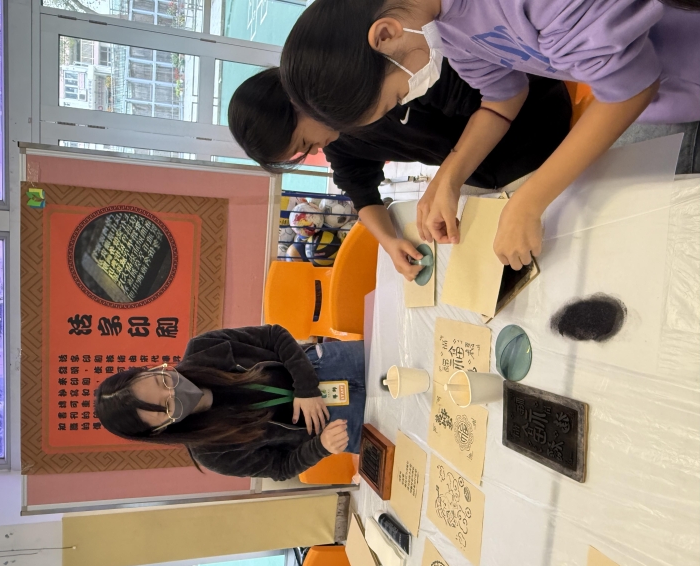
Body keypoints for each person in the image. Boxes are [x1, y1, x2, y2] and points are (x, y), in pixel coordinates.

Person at [280, 0, 700, 270]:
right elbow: (502, 97)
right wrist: (449, 177)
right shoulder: (445, 24)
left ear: (386, 34)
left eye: (395, 98)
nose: (408, 97)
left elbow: (630, 87)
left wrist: (529, 201)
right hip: (666, 98)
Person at [229, 67, 571, 280]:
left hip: (534, 134)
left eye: (305, 143)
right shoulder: (339, 137)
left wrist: (447, 180)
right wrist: (390, 241)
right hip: (492, 173)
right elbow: (359, 188)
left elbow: (501, 99)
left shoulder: (391, 74)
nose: (315, 149)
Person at [95, 324, 366, 480]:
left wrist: (306, 388)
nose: (175, 391)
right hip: (336, 424)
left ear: (153, 368)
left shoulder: (203, 349)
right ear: (158, 430)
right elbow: (282, 467)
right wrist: (321, 447)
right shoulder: (212, 453)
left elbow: (274, 336)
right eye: (167, 407)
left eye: (162, 380)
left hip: (329, 365)